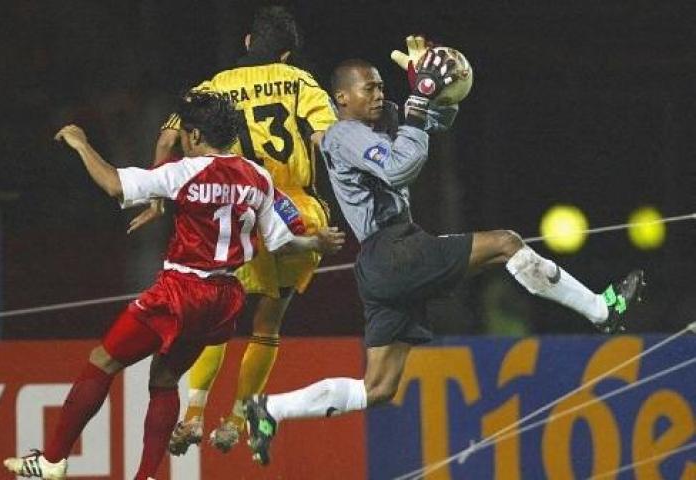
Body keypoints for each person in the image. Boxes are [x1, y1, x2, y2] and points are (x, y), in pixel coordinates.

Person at [241, 50, 645, 465]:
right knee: (506, 242)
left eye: (382, 85)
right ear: (342, 98)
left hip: (385, 262)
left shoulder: (378, 120)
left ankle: (270, 409)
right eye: (369, 88)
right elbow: (401, 167)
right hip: (396, 251)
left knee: (378, 388)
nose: (379, 94)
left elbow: (439, 121)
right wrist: (418, 103)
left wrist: (437, 86)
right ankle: (601, 310)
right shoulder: (344, 133)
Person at [3, 91, 344, 480]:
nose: (182, 139)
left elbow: (116, 185)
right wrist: (317, 242)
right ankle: (147, 476)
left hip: (182, 290)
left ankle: (51, 462)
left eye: (185, 133)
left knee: (102, 361)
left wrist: (82, 145)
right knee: (164, 380)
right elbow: (283, 241)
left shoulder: (186, 170)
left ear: (196, 135)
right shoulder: (258, 177)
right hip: (225, 300)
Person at [128, 6, 339, 455]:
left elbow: (168, 139)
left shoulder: (216, 87)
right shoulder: (300, 82)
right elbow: (328, 139)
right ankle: (240, 418)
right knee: (269, 322)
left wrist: (158, 197)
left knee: (218, 319)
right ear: (285, 53)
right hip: (298, 210)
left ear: (247, 43)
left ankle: (194, 414)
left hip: (240, 205)